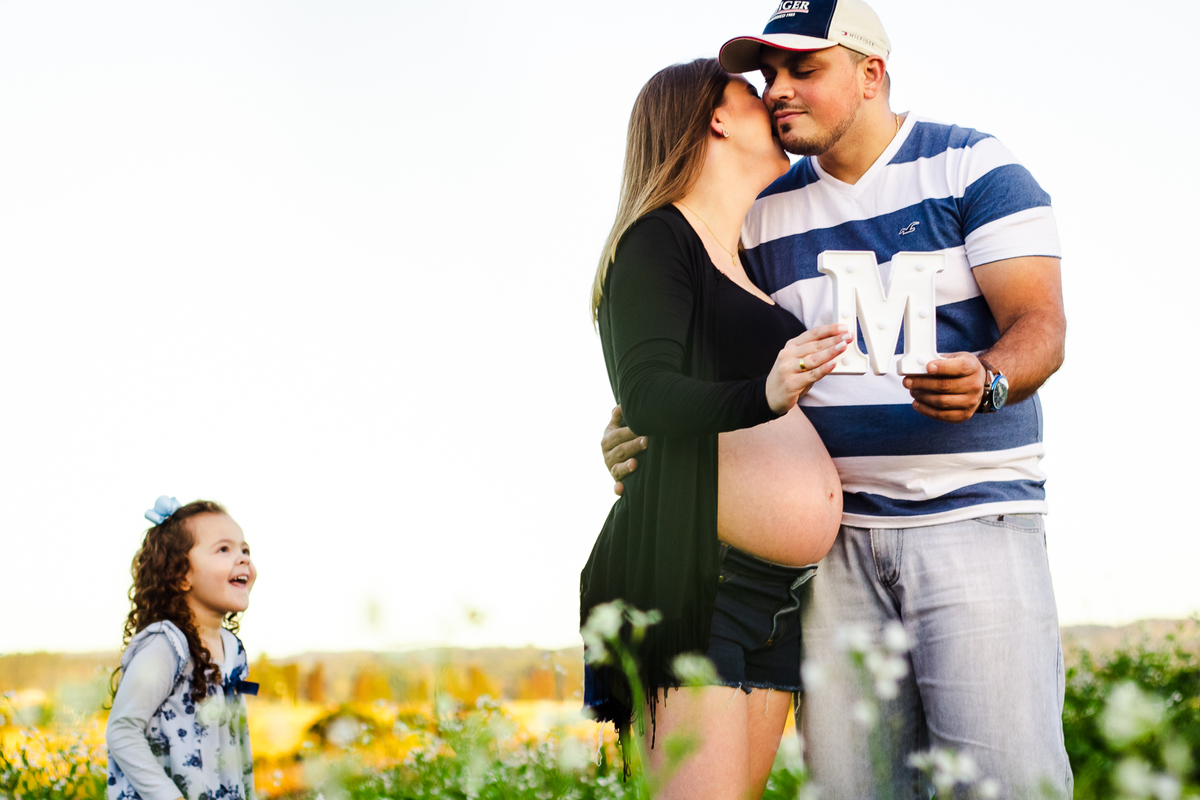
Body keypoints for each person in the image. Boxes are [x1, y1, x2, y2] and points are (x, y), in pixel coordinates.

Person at [600, 1, 1072, 797]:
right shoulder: (759, 208)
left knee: (1004, 781)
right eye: (769, 74)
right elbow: (694, 334)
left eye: (804, 68)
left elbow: (1041, 325)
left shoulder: (971, 166)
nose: (778, 89)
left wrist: (991, 377)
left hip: (972, 520)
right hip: (831, 559)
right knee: (857, 785)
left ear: (870, 73)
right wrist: (632, 426)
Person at [581, 57, 856, 800]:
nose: (773, 98)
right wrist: (766, 394)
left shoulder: (739, 260)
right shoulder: (654, 240)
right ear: (717, 117)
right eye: (752, 91)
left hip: (773, 595)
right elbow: (647, 393)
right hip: (696, 584)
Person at [107, 496, 259, 800]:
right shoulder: (165, 646)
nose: (243, 559)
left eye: (245, 550)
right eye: (224, 549)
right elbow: (122, 730)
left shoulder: (233, 650)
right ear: (181, 574)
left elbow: (238, 742)